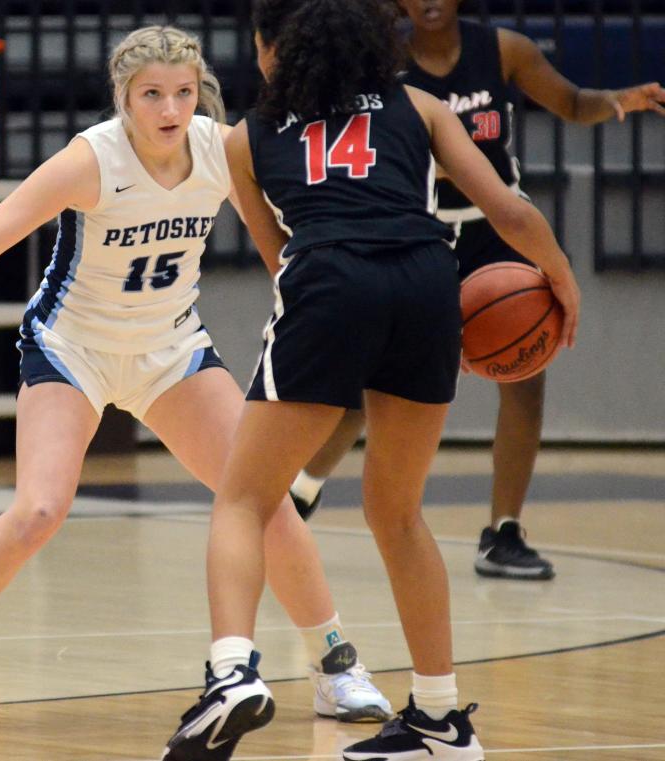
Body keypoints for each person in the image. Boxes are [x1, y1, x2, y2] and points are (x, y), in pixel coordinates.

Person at [0, 26, 391, 733]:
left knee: (264, 502)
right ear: (124, 99)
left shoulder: (222, 151)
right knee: (38, 510)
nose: (169, 108)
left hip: (170, 350)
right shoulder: (90, 160)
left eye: (183, 92)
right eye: (152, 94)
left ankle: (335, 665)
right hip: (73, 348)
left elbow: (281, 249)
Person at [162, 0, 580, 759]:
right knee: (398, 512)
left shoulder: (243, 140)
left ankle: (230, 674)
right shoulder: (415, 103)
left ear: (267, 52)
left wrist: (329, 341)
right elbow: (506, 210)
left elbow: (274, 255)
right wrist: (560, 279)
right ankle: (440, 717)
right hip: (428, 281)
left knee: (246, 497)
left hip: (328, 280)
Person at [289, 0, 665, 581]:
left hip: (497, 223)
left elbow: (568, 101)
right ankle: (302, 491)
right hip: (417, 228)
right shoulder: (382, 55)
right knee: (371, 383)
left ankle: (504, 531)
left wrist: (617, 101)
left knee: (525, 375)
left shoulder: (503, 49)